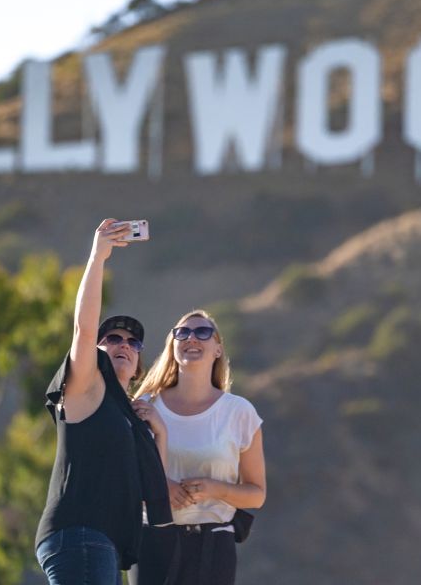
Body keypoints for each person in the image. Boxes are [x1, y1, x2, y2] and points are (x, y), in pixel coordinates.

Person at [35, 219, 172, 585]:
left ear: (140, 361)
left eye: (132, 342)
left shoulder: (129, 417)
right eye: (112, 338)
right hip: (80, 535)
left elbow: (149, 491)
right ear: (95, 350)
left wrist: (159, 433)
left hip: (104, 542)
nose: (123, 344)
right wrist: (98, 257)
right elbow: (83, 326)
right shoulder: (87, 388)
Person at [129, 310, 266, 585]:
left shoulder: (239, 412)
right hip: (152, 539)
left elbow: (256, 494)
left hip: (213, 546)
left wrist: (216, 489)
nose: (191, 337)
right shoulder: (145, 405)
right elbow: (126, 477)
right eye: (182, 333)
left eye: (203, 332)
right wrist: (162, 486)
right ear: (173, 345)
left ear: (217, 349)